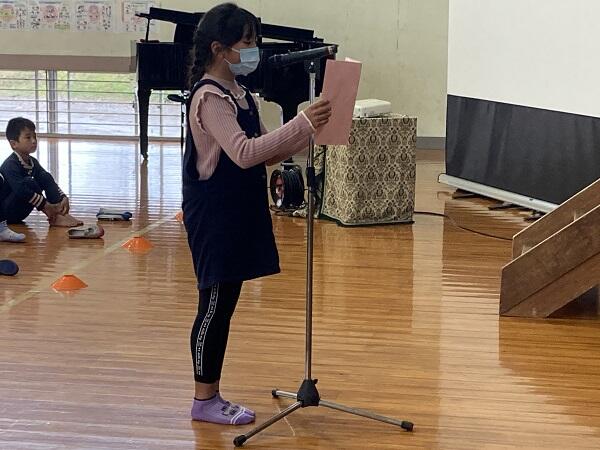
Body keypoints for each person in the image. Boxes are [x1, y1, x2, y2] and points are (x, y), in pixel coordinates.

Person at [183, 3, 331, 425]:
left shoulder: (240, 93)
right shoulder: (210, 97)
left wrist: (313, 131)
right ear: (219, 48)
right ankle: (204, 399)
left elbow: (267, 152)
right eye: (247, 42)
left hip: (239, 210)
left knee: (225, 302)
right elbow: (244, 153)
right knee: (214, 304)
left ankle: (210, 395)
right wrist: (301, 123)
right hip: (214, 213)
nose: (253, 50)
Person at [1, 117, 82, 231]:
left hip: (19, 212)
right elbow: (20, 190)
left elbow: (47, 179)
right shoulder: (10, 165)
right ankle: (53, 215)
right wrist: (46, 205)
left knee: (44, 176)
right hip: (6, 214)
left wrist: (63, 197)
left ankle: (61, 213)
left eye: (34, 136)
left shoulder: (32, 162)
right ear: (14, 144)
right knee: (28, 182)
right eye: (28, 137)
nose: (34, 141)